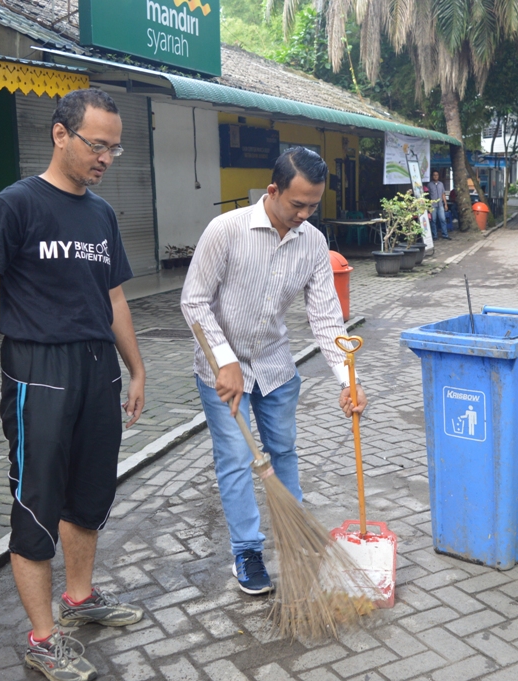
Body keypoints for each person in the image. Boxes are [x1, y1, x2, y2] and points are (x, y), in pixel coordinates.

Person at [0, 89, 146, 681]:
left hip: (97, 368)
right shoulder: (14, 205)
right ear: (59, 135)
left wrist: (137, 367)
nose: (105, 157)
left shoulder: (101, 214)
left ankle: (79, 599)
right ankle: (43, 639)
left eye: (114, 149)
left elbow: (114, 295)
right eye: (97, 144)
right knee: (37, 502)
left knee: (90, 495)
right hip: (38, 371)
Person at [182, 146, 369, 595]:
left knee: (283, 451)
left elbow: (325, 319)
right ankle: (247, 550)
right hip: (221, 372)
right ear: (273, 190)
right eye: (296, 204)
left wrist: (349, 381)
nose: (304, 214)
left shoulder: (313, 242)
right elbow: (193, 301)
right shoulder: (225, 231)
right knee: (236, 458)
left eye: (313, 206)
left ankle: (297, 533)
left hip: (276, 367)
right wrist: (224, 361)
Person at [428, 170, 451, 240]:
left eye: (437, 175)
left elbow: (443, 194)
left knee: (443, 220)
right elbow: (427, 195)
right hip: (433, 205)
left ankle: (445, 235)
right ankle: (435, 235)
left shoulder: (441, 184)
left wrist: (446, 204)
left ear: (438, 176)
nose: (435, 176)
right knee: (433, 220)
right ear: (432, 176)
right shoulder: (429, 185)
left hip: (440, 204)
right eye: (434, 175)